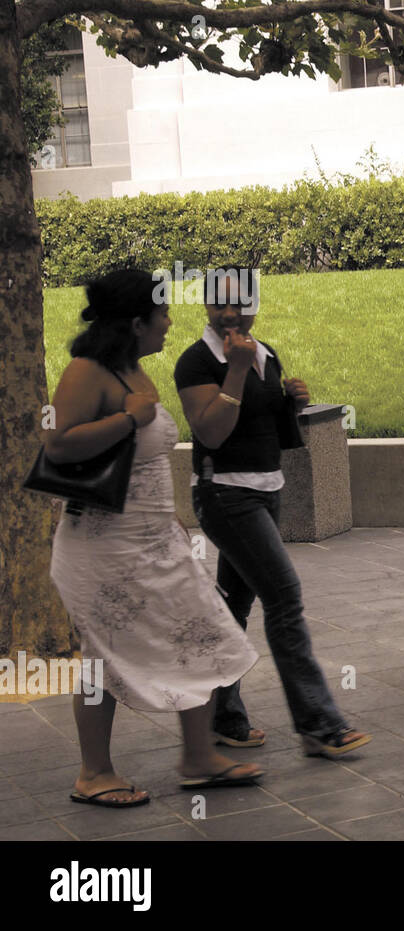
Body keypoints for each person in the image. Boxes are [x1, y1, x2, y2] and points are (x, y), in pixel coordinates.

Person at [45, 268, 266, 808]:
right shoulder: (87, 371)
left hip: (154, 541)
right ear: (136, 321)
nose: (171, 323)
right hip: (102, 549)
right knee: (103, 656)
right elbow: (57, 445)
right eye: (162, 313)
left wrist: (171, 521)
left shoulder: (135, 370)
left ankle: (198, 757)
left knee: (200, 630)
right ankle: (93, 773)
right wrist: (126, 419)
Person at [175, 268, 370, 758]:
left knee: (232, 607)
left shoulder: (266, 354)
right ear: (205, 306)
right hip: (224, 494)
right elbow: (212, 434)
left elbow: (272, 436)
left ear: (255, 305)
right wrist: (237, 371)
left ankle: (223, 717)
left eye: (239, 303)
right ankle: (319, 723)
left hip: (267, 489)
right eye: (218, 303)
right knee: (284, 596)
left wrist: (291, 403)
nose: (228, 313)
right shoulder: (197, 362)